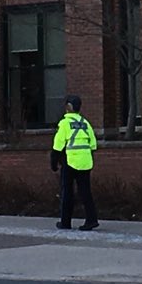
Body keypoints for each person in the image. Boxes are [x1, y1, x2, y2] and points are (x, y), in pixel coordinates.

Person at [50, 94, 100, 231]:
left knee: (67, 192)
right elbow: (93, 144)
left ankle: (65, 222)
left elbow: (58, 145)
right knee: (85, 192)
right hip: (85, 162)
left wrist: (54, 162)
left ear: (68, 107)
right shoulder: (85, 123)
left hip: (70, 161)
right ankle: (91, 220)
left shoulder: (65, 123)